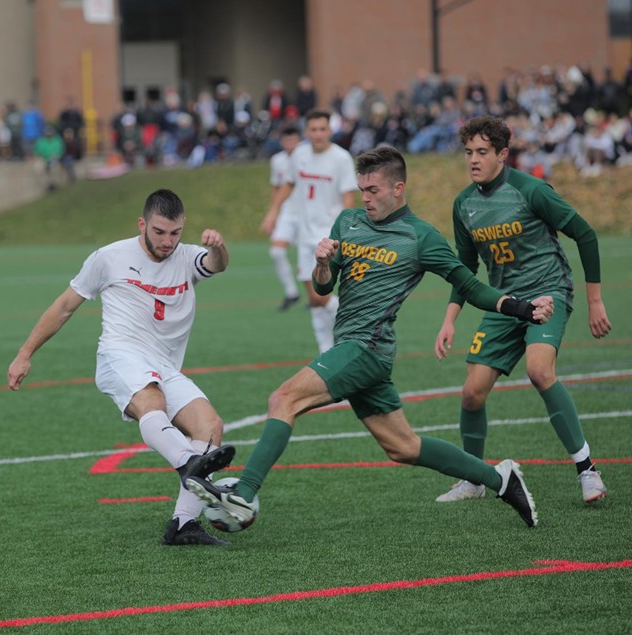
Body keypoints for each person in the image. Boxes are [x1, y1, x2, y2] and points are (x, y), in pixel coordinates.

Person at [188, 147, 552, 531]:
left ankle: (243, 495)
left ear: (398, 188)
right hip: (353, 348)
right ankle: (502, 480)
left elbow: (471, 287)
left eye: (373, 190)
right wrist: (323, 264)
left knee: (283, 399)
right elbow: (322, 289)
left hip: (366, 347)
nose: (365, 198)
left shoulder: (420, 236)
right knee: (404, 447)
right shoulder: (347, 222)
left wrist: (521, 308)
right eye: (362, 189)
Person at [7, 189, 238, 546]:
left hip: (165, 365)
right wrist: (25, 353)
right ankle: (186, 463)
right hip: (121, 355)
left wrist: (218, 246)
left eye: (175, 233)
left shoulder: (188, 257)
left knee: (210, 428)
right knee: (152, 402)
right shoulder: (109, 258)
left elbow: (217, 264)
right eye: (159, 232)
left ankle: (183, 524)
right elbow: (65, 306)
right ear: (142, 224)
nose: (167, 241)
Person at [432, 115, 612, 505]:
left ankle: (587, 471)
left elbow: (585, 234)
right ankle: (474, 478)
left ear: (502, 154)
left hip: (548, 293)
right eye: (468, 152)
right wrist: (450, 319)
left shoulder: (530, 190)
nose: (474, 159)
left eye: (482, 152)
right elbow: (464, 270)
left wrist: (594, 301)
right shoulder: (464, 204)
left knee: (539, 371)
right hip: (505, 303)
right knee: (471, 395)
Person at [261, 109, 357, 352]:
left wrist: (346, 232)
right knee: (314, 298)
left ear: (330, 130)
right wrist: (273, 212)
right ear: (306, 131)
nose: (318, 134)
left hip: (328, 236)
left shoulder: (341, 158)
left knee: (322, 295)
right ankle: (326, 350)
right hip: (304, 236)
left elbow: (348, 198)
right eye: (313, 129)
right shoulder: (300, 155)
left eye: (322, 129)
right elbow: (289, 184)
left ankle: (354, 333)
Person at [265, 125, 303, 310]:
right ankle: (291, 292)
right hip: (287, 213)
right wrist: (272, 213)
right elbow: (277, 188)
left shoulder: (306, 156)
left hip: (307, 214)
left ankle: (319, 296)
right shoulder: (277, 160)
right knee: (277, 252)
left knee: (312, 257)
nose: (290, 144)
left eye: (293, 140)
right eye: (287, 140)